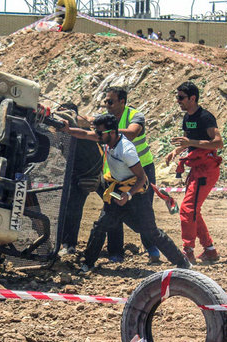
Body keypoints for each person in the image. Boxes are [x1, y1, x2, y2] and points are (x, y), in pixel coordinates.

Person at [62, 114, 190, 273]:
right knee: (99, 227)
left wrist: (128, 196)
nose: (98, 136)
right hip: (117, 193)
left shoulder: (126, 150)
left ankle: (182, 262)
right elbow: (84, 134)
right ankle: (88, 263)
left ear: (112, 132)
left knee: (151, 232)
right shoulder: (107, 139)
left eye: (100, 133)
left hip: (136, 197)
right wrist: (68, 129)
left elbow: (142, 178)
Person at [98, 87, 160, 263]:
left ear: (122, 102)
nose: (107, 105)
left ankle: (152, 247)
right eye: (106, 102)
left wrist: (104, 131)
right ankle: (115, 252)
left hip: (141, 169)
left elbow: (132, 133)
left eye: (110, 102)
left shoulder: (135, 116)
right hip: (117, 174)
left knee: (145, 210)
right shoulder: (106, 119)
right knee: (113, 209)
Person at [165, 81, 223, 264]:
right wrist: (176, 151)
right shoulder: (187, 118)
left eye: (181, 98)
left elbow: (218, 143)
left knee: (187, 209)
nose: (178, 101)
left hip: (207, 170)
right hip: (197, 169)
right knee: (193, 210)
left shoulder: (205, 117)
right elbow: (188, 142)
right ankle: (210, 250)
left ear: (193, 98)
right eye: (177, 97)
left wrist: (191, 143)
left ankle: (188, 250)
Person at [56, 103, 103, 256]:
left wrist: (95, 176)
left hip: (98, 173)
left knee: (115, 208)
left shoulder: (83, 130)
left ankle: (117, 250)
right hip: (77, 175)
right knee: (71, 210)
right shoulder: (63, 133)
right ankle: (68, 245)